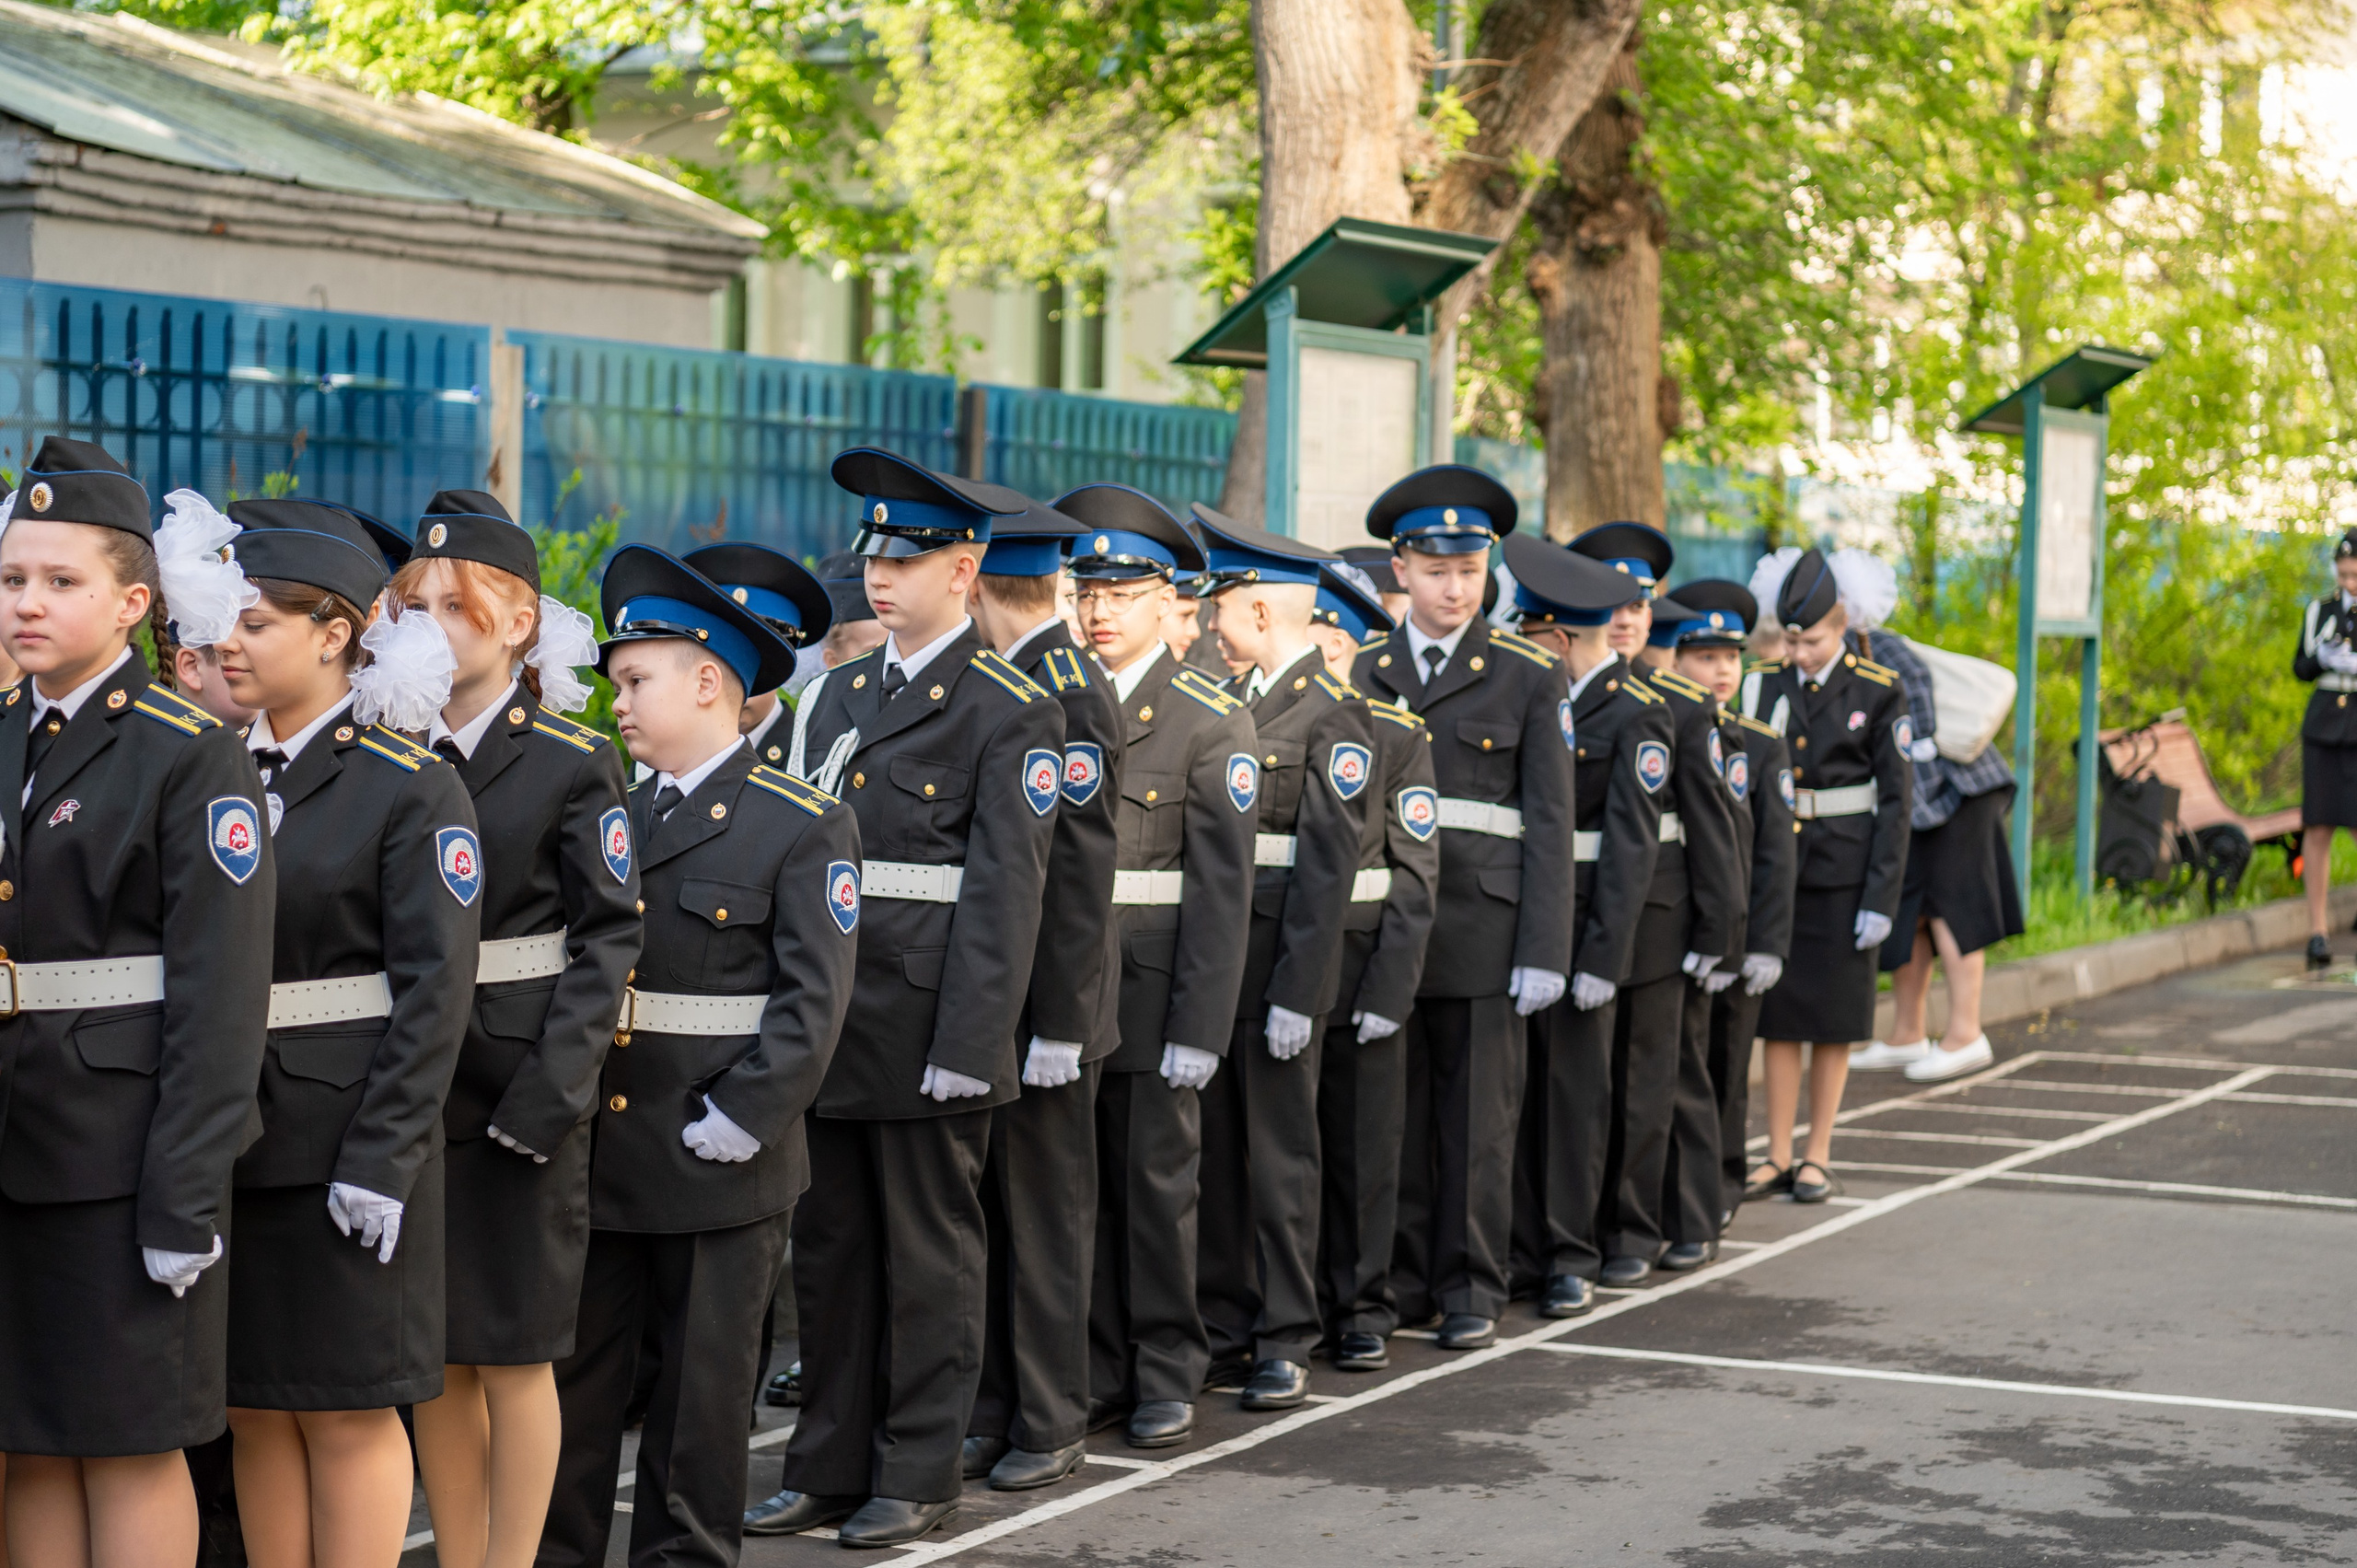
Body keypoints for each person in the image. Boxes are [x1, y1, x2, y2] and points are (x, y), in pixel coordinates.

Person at [763, 449, 1061, 1548]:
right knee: (831, 1253)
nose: (879, 575)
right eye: (872, 556)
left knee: (930, 1258)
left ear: (965, 566)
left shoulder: (1005, 706)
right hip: (834, 1018)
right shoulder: (836, 692)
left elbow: (1005, 892)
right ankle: (826, 1463)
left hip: (931, 1024)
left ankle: (921, 1468)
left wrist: (973, 1041)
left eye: (907, 555)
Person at [544, 543, 854, 1568]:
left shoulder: (802, 823)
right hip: (613, 1145)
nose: (618, 701)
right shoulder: (613, 815)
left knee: (701, 1396)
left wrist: (750, 1113)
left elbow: (813, 999)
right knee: (579, 1387)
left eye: (636, 679)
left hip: (719, 1149)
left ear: (710, 678)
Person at [0, 445, 275, 1568]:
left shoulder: (189, 753)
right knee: (30, 1441)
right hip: (14, 1138)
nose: (27, 601)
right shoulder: (4, 735)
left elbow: (221, 994)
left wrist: (184, 1190)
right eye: (14, 577)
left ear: (132, 601)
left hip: (119, 1156)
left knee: (126, 1442)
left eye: (60, 581)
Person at [209, 496, 482, 1568]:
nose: (226, 642)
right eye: (223, 621)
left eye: (255, 622)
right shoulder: (210, 768)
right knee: (257, 1403)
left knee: (346, 1406)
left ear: (334, 633)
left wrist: (382, 1156)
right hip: (233, 1139)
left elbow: (434, 991)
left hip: (344, 1145)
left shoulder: (410, 785)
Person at [390, 492, 641, 1568]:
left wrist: (554, 1092)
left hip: (519, 1084)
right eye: (413, 605)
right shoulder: (388, 747)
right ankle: (459, 1553)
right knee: (436, 1349)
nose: (429, 625)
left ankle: (513, 1558)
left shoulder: (571, 760)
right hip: (412, 1088)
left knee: (518, 1350)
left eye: (456, 605)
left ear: (519, 621)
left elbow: (610, 939)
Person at [1354, 466, 1573, 1352]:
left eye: (1471, 571)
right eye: (1437, 569)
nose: (1455, 587)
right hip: (1386, 935)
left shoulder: (1527, 675)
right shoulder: (1366, 669)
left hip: (1486, 933)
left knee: (1480, 1123)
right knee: (1391, 1123)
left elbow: (1550, 822)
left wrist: (1545, 948)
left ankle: (1473, 1283)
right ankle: (1402, 1278)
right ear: (1400, 568)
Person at [1061, 487, 1254, 1451]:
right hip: (1063, 994)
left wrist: (1198, 1028)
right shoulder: (1052, 700)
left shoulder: (1206, 720)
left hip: (1148, 994)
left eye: (1124, 591)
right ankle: (1095, 1368)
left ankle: (1167, 1368)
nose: (1100, 610)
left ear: (1163, 598)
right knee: (1075, 1193)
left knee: (1155, 1191)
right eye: (1088, 588)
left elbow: (1221, 896)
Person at [1186, 509, 1376, 1411]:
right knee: (1217, 1154)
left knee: (1278, 1159)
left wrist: (1300, 991)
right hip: (1217, 969)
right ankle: (1224, 1324)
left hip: (1277, 975)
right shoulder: (1227, 703)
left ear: (1259, 612)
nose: (1208, 620)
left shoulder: (1329, 716)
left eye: (1219, 603)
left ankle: (1283, 1333)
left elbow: (1326, 867)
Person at [954, 499, 1122, 1493]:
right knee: (995, 1215)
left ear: (975, 582)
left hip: (1050, 1010)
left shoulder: (1066, 685)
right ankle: (995, 1404)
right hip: (1000, 1001)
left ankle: (1051, 1415)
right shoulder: (1017, 678)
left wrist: (1059, 1018)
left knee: (1046, 1219)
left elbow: (1076, 870)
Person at [1568, 523, 1740, 1286]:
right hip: (1593, 911)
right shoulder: (1566, 691)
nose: (1629, 617)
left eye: (1639, 603)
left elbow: (1716, 832)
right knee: (1597, 1084)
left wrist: (1721, 927)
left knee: (1662, 1077)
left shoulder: (1680, 704)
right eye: (1613, 602)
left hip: (1663, 920)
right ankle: (1610, 1218)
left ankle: (1670, 1220)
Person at [1497, 531, 1663, 1318]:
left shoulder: (1635, 712)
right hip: (1528, 925)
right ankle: (1525, 1246)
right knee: (1521, 1098)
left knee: (1573, 1100)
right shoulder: (1544, 699)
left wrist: (1603, 956)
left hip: (1589, 928)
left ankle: (1571, 1252)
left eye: (1527, 634)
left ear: (1557, 637)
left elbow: (1630, 851)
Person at [1738, 548, 1911, 1205]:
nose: (1799, 651)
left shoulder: (1878, 687)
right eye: (1789, 638)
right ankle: (1777, 1150)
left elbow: (1897, 803)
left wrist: (1882, 898)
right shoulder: (1763, 684)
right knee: (1780, 1016)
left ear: (1842, 626)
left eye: (1810, 639)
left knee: (1833, 1020)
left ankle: (1817, 1152)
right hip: (1781, 873)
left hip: (1845, 873)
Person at [1306, 562, 1438, 1372]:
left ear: (1353, 643)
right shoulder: (1258, 721)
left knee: (1363, 1147)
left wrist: (1392, 985)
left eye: (1327, 635)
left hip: (1361, 972)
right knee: (1287, 1147)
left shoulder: (1396, 732)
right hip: (1275, 971)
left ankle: (1362, 1304)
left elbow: (1417, 870)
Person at [1829, 551, 2022, 1083]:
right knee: (1910, 909)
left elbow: (1918, 741)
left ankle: (1965, 1033)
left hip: (1954, 793)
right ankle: (1907, 1033)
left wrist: (1908, 811)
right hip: (1914, 803)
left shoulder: (1882, 651)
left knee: (1953, 907)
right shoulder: (1839, 655)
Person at [1655, 581, 1794, 1229]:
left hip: (1738, 939)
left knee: (1727, 1066)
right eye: (1705, 657)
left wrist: (1767, 940)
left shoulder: (1760, 743)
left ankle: (1723, 1183)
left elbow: (1773, 854)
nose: (1721, 671)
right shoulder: (1664, 729)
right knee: (1678, 1070)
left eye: (1731, 658)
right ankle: (1675, 1190)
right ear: (1676, 660)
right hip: (1680, 928)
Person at [2296, 530, 2357, 968]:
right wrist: (2324, 657)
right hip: (2323, 728)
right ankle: (2318, 931)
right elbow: (2300, 666)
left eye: (2355, 574)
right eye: (2343, 573)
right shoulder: (2321, 609)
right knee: (2317, 828)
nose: (2348, 581)